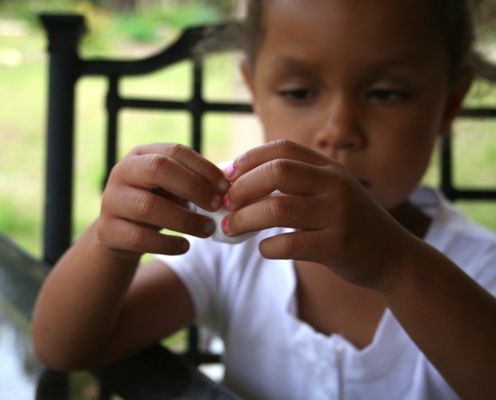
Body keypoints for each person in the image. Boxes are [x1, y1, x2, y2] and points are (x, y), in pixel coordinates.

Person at [32, 0, 496, 398]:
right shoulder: (235, 249)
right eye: (299, 92)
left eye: (386, 94)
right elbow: (65, 348)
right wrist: (109, 244)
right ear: (254, 91)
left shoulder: (480, 269)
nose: (338, 130)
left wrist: (397, 266)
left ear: (449, 104)